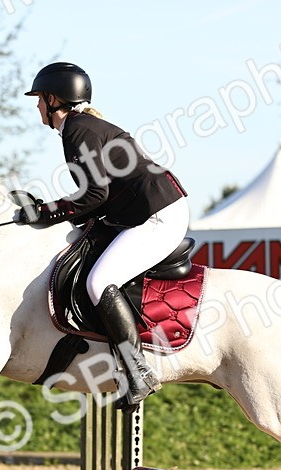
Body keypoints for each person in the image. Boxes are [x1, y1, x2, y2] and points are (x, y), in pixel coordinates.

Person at [13, 62, 190, 409]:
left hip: (157, 216)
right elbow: (99, 198)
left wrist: (45, 212)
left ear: (53, 99)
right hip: (147, 211)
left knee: (98, 282)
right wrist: (49, 214)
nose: (36, 107)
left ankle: (137, 372)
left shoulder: (77, 129)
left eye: (39, 99)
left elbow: (95, 195)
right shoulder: (84, 126)